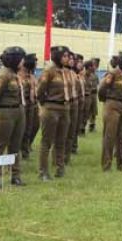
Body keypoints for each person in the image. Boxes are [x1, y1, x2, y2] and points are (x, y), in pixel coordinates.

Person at [0, 46, 27, 190]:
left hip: (18, 111)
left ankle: (14, 176)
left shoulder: (15, 74)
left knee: (15, 147)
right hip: (5, 113)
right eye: (21, 59)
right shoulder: (3, 75)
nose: (23, 62)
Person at [36, 46, 71, 180]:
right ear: (57, 57)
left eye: (67, 56)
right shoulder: (49, 71)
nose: (67, 59)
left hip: (64, 108)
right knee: (47, 142)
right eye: (64, 56)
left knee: (61, 140)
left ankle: (60, 168)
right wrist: (45, 104)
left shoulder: (66, 72)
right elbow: (40, 91)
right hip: (51, 108)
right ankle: (43, 172)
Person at [98, 51, 122, 171]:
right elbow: (102, 88)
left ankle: (121, 163)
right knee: (110, 136)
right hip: (112, 105)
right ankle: (106, 164)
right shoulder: (113, 73)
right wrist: (106, 101)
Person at [19, 53, 39, 159]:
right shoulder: (19, 75)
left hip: (33, 105)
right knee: (22, 128)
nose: (36, 64)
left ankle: (26, 148)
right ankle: (21, 149)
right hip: (23, 105)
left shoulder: (32, 76)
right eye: (34, 61)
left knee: (31, 127)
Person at [84, 58, 100, 133]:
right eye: (93, 65)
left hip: (94, 94)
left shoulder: (95, 75)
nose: (94, 67)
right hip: (87, 95)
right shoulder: (85, 75)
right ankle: (82, 127)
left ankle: (92, 125)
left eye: (95, 65)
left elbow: (97, 84)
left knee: (94, 111)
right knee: (86, 111)